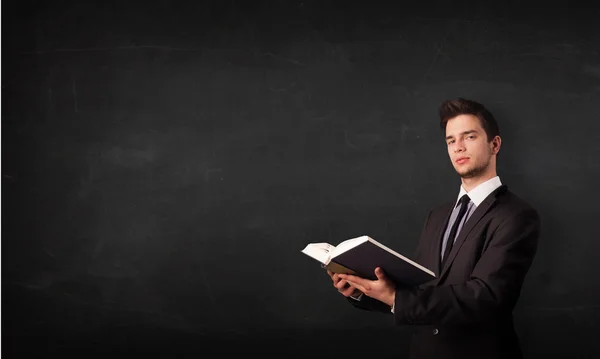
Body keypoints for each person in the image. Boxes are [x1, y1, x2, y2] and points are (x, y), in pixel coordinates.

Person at [328, 98, 540, 359]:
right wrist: (363, 290)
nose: (458, 147)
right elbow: (420, 290)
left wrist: (396, 298)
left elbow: (486, 296)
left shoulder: (516, 215)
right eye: (451, 140)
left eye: (469, 136)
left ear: (494, 144)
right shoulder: (437, 216)